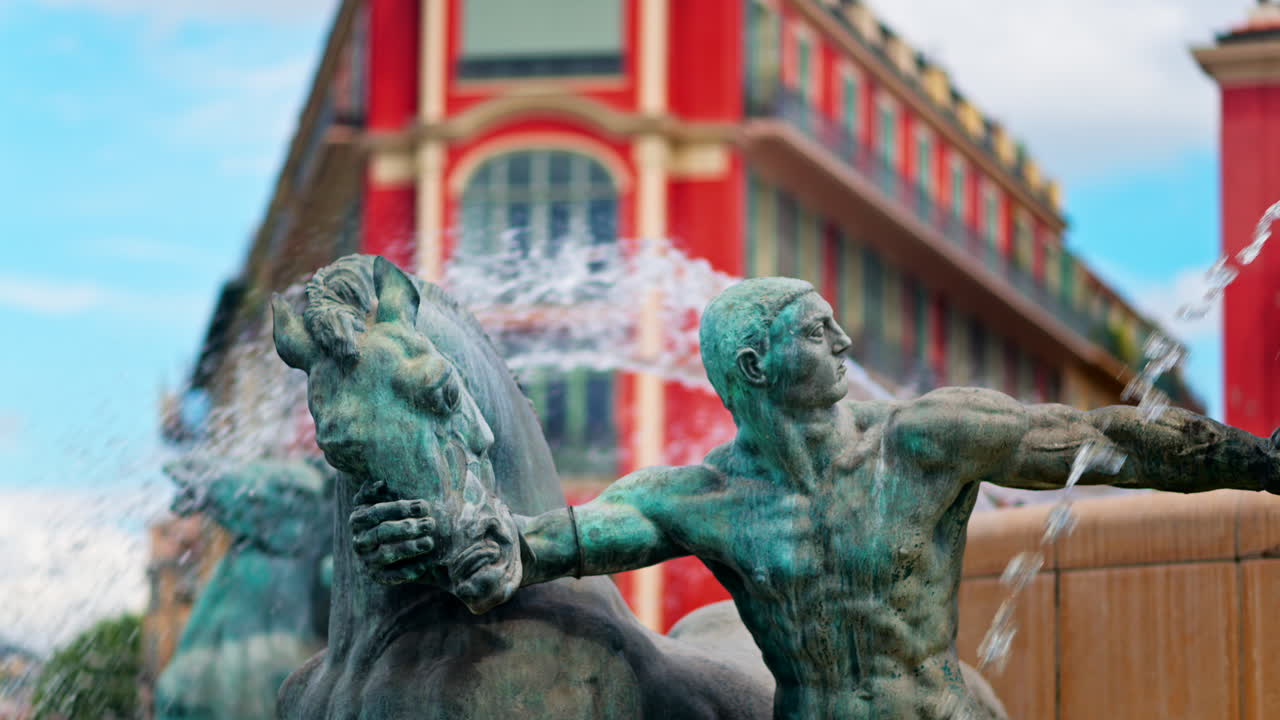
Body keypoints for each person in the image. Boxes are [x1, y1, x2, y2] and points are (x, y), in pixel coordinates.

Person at [349, 277, 1280, 719]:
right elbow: (551, 540)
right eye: (814, 328)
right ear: (756, 367)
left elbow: (1108, 440)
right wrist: (454, 539)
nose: (843, 338)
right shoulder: (704, 496)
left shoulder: (924, 439)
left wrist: (1263, 460)